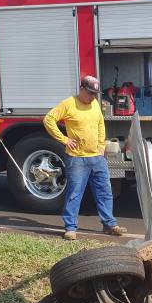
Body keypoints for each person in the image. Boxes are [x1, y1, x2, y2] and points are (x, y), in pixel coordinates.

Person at [43, 75, 125, 240]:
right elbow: (48, 119)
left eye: (95, 94)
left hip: (97, 157)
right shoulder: (69, 103)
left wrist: (101, 145)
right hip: (77, 158)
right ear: (81, 89)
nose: (93, 97)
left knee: (105, 192)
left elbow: (100, 123)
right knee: (75, 193)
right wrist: (65, 139)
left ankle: (109, 225)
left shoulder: (94, 103)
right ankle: (70, 228)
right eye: (90, 93)